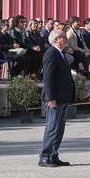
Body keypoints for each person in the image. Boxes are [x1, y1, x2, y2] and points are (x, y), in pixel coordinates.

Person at [39, 30, 73, 168]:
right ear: (56, 40)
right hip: (55, 98)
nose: (66, 39)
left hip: (63, 98)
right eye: (63, 37)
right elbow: (47, 78)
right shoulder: (51, 53)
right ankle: (45, 157)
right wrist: (51, 97)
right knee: (52, 128)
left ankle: (54, 155)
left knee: (59, 129)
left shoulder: (60, 53)